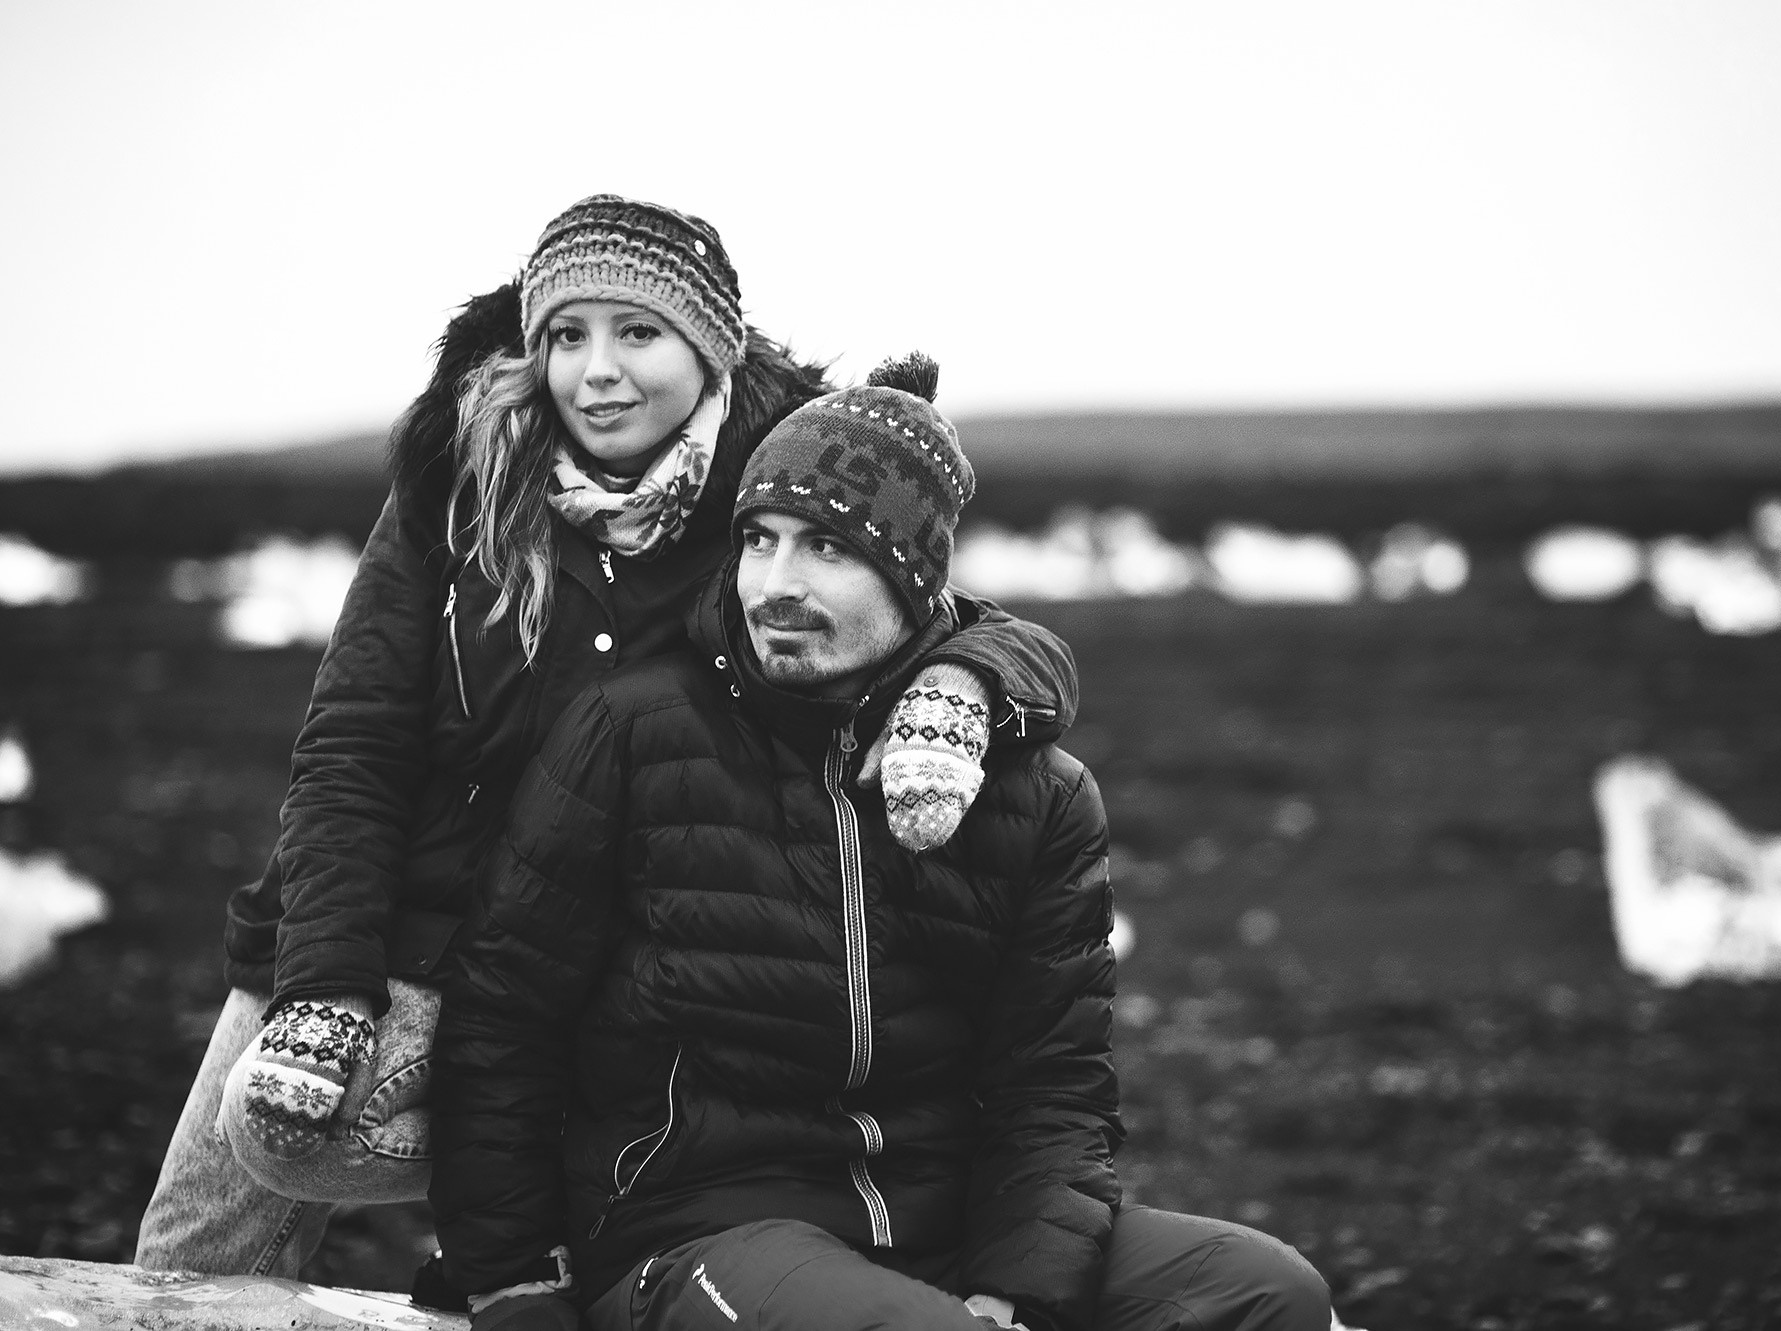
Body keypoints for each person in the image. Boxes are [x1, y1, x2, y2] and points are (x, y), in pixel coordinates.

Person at [134, 196, 1079, 1280]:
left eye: (639, 333)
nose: (598, 373)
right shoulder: (457, 479)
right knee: (190, 1253)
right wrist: (322, 985)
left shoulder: (757, 496)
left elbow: (965, 620)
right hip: (350, 913)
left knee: (485, 1222)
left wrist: (961, 681)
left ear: (709, 347)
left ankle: (570, 1208)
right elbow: (353, 741)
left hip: (559, 956)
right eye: (564, 336)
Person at [430, 356, 1336, 1331]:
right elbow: (503, 1021)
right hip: (697, 1231)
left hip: (942, 1222)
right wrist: (514, 1280)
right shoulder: (636, 733)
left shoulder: (1036, 792)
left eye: (825, 545)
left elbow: (1050, 1084)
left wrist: (1016, 1286)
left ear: (912, 573)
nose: (774, 584)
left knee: (1267, 1291)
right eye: (757, 540)